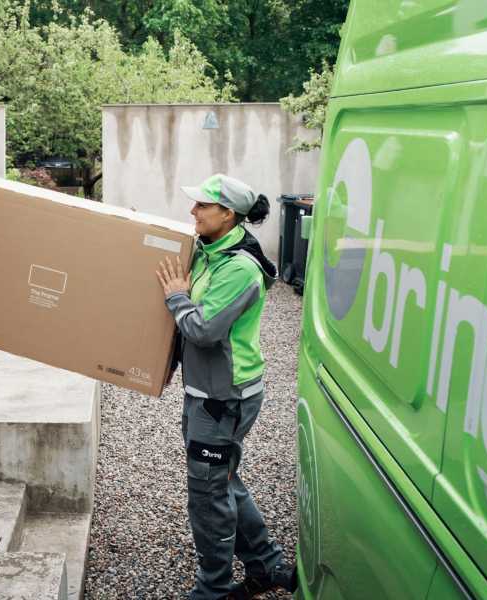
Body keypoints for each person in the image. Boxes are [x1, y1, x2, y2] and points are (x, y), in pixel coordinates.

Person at [156, 174, 297, 599]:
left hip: (224, 399)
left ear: (227, 214)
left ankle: (213, 589)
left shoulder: (239, 269)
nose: (192, 212)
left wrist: (178, 298)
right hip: (205, 392)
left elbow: (203, 330)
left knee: (207, 495)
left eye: (202, 205)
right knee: (224, 479)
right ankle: (267, 565)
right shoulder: (211, 250)